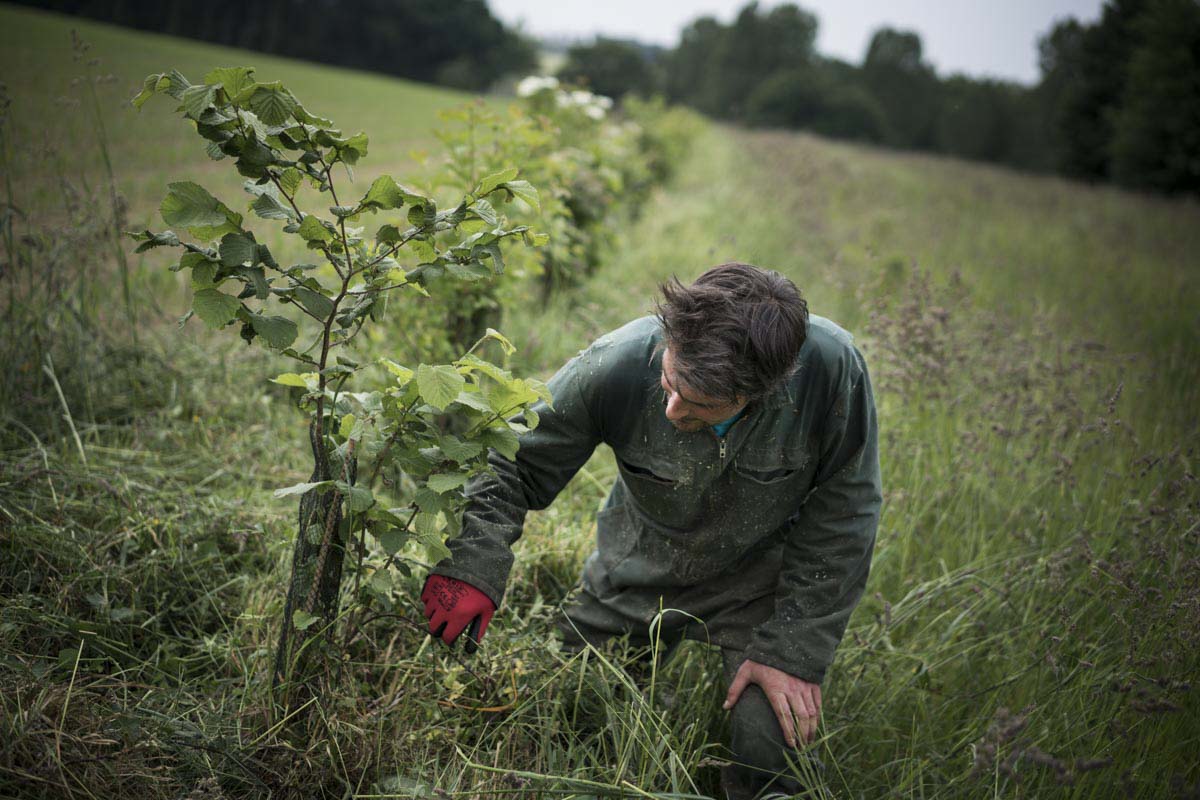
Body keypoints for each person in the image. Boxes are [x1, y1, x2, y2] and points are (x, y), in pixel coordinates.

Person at [420, 262, 881, 799]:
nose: (672, 407)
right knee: (567, 703)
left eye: (700, 404)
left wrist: (793, 651)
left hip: (763, 586)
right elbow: (511, 462)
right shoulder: (616, 361)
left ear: (761, 392)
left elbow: (846, 513)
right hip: (638, 571)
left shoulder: (832, 370)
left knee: (770, 750)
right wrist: (475, 562)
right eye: (669, 381)